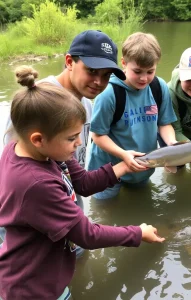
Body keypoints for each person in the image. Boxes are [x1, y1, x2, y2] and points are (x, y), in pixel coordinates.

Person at [0, 66, 165, 300]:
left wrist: (125, 165)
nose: (79, 143)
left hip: (48, 271)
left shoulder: (44, 153)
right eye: (71, 138)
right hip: (33, 287)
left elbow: (84, 183)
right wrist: (137, 233)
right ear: (38, 139)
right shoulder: (36, 183)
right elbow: (87, 235)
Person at [1, 30, 126, 257]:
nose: (99, 82)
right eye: (92, 71)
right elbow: (16, 176)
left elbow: (75, 172)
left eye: (107, 75)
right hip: (39, 224)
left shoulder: (85, 104)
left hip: (68, 206)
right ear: (69, 61)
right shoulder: (37, 103)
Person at [88, 32, 178, 200]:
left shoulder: (159, 87)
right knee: (105, 212)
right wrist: (123, 155)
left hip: (141, 167)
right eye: (137, 71)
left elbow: (164, 123)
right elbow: (98, 135)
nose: (144, 78)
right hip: (108, 170)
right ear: (123, 63)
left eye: (150, 71)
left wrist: (172, 143)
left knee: (140, 205)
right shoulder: (108, 93)